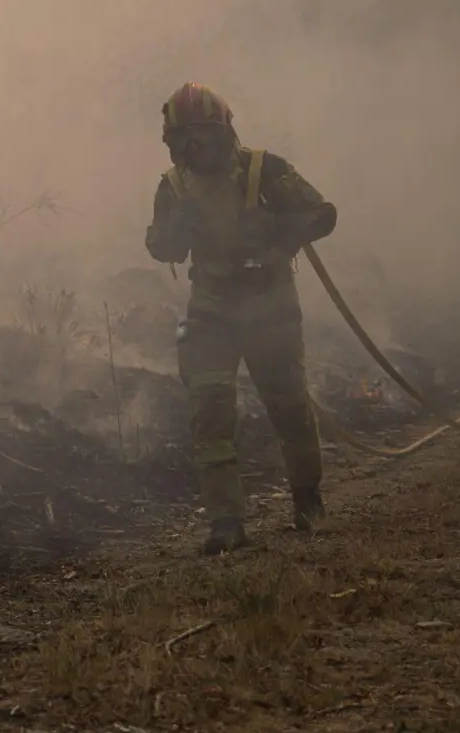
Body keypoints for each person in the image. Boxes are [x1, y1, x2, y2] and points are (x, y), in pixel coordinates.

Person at [144, 82, 337, 554]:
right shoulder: (172, 186)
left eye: (202, 137)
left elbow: (323, 213)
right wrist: (174, 230)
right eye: (182, 139)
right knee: (209, 415)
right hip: (210, 309)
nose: (194, 149)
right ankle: (226, 522)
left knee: (289, 407)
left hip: (269, 304)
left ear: (225, 132)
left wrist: (277, 225)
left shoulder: (264, 169)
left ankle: (307, 497)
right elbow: (157, 246)